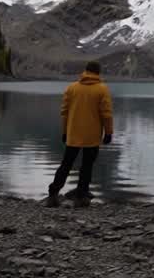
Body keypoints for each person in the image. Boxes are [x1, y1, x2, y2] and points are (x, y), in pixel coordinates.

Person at [46, 61, 113, 207]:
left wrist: (65, 132)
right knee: (87, 166)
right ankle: (82, 197)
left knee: (66, 165)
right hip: (92, 136)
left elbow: (64, 112)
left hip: (73, 134)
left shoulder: (72, 88)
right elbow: (106, 114)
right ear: (98, 73)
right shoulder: (102, 89)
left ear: (85, 71)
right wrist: (108, 133)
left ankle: (53, 194)